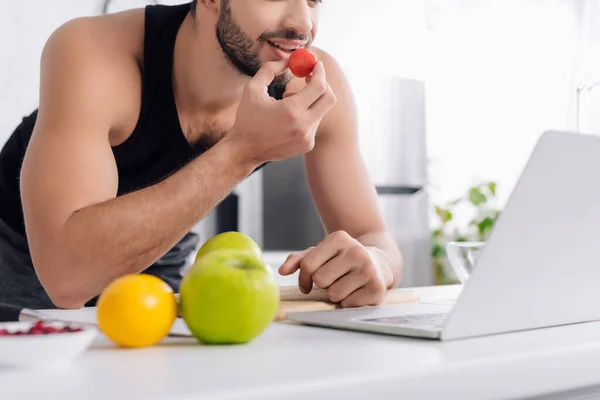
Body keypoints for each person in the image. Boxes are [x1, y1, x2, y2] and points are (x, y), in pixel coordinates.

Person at [0, 0, 403, 310]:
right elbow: (65, 276)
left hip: (159, 263)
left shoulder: (314, 85)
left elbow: (375, 236)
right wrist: (242, 151)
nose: (303, 23)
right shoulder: (93, 49)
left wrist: (374, 263)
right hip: (19, 263)